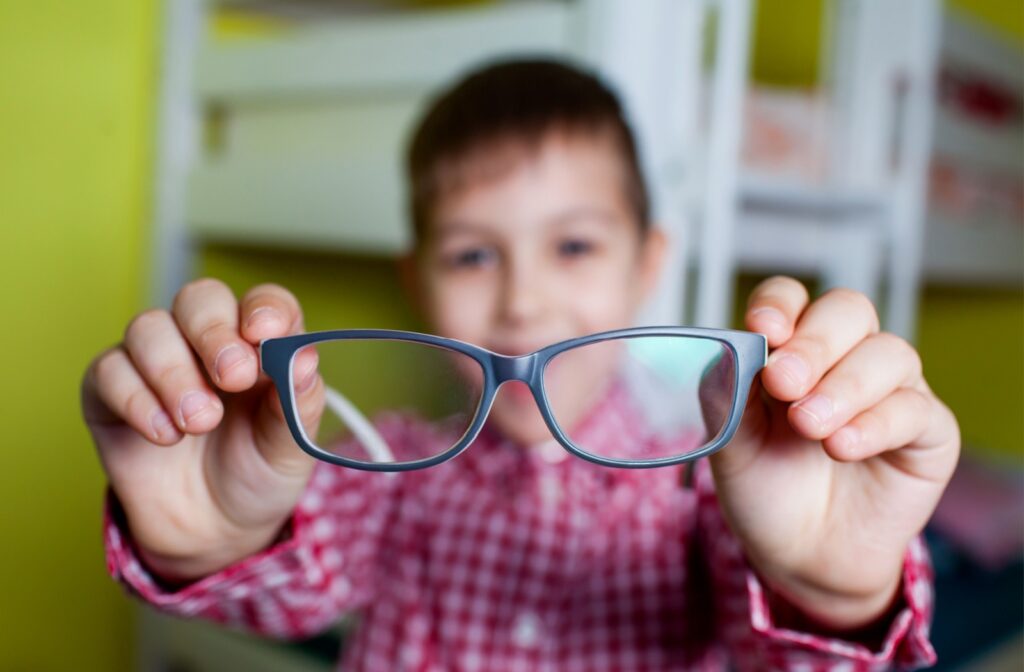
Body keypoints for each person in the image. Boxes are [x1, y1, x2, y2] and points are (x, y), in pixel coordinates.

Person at [82, 59, 959, 671]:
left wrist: (825, 585)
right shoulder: (382, 471)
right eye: (471, 256)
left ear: (647, 265)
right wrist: (221, 540)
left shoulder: (708, 490)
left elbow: (782, 653)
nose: (524, 303)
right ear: (416, 281)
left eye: (573, 245)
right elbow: (289, 591)